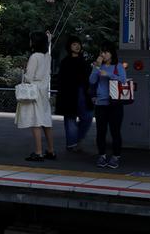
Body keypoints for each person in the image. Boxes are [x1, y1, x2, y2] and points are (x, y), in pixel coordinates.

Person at [15, 30, 56, 161]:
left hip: (34, 91)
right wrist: (48, 39)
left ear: (35, 42)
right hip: (44, 91)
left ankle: (38, 152)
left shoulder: (34, 57)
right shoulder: (47, 56)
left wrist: (24, 71)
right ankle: (51, 150)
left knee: (36, 121)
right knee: (46, 121)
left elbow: (29, 77)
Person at [89, 40, 128, 169]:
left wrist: (109, 74)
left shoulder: (119, 66)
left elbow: (123, 80)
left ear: (111, 53)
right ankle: (102, 155)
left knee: (115, 131)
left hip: (115, 103)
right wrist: (97, 67)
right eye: (101, 52)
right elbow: (92, 80)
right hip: (101, 103)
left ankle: (116, 156)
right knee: (101, 131)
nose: (103, 54)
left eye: (105, 52)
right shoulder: (98, 66)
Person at [55, 35, 93, 151]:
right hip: (68, 93)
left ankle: (76, 140)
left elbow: (89, 77)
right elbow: (61, 80)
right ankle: (72, 144)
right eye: (74, 44)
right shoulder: (65, 62)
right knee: (70, 118)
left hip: (83, 92)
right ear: (69, 46)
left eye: (78, 44)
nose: (77, 46)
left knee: (88, 116)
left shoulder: (84, 61)